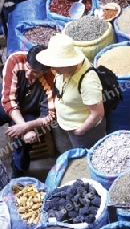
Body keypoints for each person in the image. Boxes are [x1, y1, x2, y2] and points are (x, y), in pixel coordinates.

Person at [36, 33, 106, 153]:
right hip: (66, 124)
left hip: (83, 131)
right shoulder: (63, 70)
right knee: (69, 152)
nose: (54, 69)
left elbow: (98, 113)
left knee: (83, 156)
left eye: (58, 66)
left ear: (70, 62)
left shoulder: (88, 82)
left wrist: (81, 130)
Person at [0, 45, 55, 178]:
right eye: (28, 67)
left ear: (45, 71)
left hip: (30, 113)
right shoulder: (15, 60)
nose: (29, 73)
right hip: (10, 105)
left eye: (35, 72)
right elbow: (8, 100)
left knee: (24, 141)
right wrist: (24, 127)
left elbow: (50, 115)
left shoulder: (51, 78)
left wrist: (28, 127)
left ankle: (18, 170)